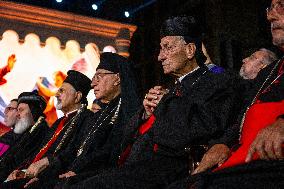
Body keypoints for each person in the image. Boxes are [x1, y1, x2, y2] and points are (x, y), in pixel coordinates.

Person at [57, 15, 237, 189]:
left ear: (190, 50)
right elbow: (126, 136)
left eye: (167, 48)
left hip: (171, 168)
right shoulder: (171, 88)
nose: (160, 57)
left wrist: (166, 103)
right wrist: (145, 114)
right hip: (135, 166)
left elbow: (204, 126)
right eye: (161, 49)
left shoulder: (218, 83)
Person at [176, 1, 284, 188]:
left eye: (281, 5)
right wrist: (223, 144)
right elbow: (242, 116)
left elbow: (227, 80)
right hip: (243, 157)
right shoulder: (270, 73)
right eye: (270, 8)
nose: (270, 16)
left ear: (262, 66)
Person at [27, 52, 141, 189]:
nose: (93, 83)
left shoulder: (128, 112)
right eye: (94, 77)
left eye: (99, 76)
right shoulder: (100, 114)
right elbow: (73, 151)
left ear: (117, 78)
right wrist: (43, 177)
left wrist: (76, 174)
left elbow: (109, 156)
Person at [1, 70, 94, 188]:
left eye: (62, 90)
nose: (56, 94)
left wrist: (42, 171)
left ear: (77, 96)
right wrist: (21, 171)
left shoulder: (86, 119)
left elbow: (72, 155)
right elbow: (39, 152)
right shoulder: (60, 121)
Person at [0, 91, 49, 182]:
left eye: (21, 110)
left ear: (33, 111)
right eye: (17, 110)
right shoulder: (24, 132)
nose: (17, 114)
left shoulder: (42, 133)